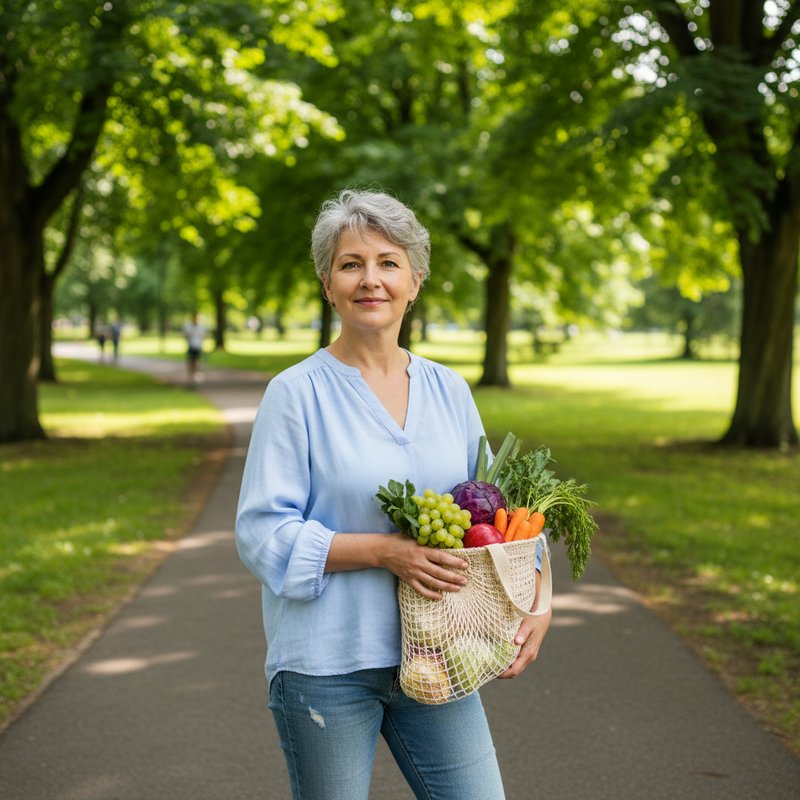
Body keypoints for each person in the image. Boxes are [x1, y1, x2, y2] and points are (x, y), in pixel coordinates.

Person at [235, 189, 551, 800]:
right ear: (328, 284)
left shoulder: (449, 390)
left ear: (415, 280)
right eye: (351, 264)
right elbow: (262, 535)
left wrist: (539, 598)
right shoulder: (296, 394)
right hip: (327, 665)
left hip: (439, 653)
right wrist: (385, 551)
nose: (369, 279)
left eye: (388, 262)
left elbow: (501, 512)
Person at [181, 313, 206, 386]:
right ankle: (190, 376)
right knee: (191, 360)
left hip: (198, 346)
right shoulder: (188, 326)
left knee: (196, 361)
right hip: (191, 345)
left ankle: (194, 375)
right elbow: (185, 335)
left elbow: (203, 335)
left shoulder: (201, 327)